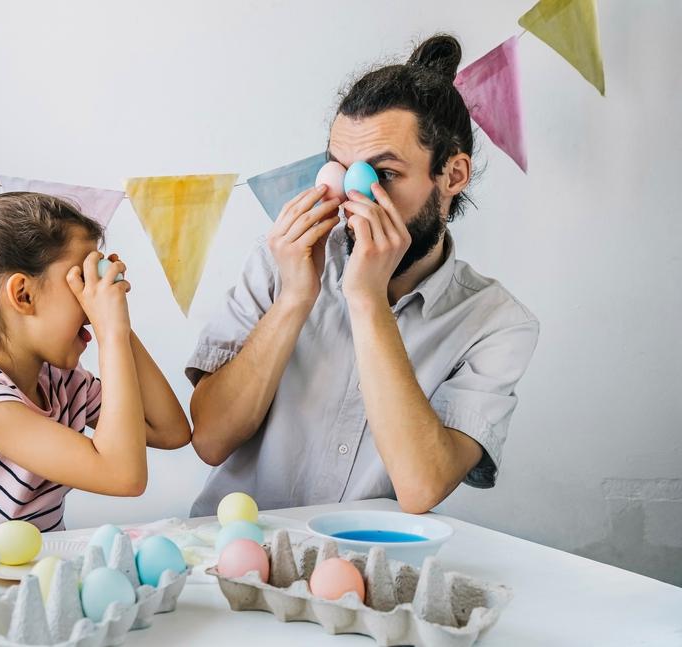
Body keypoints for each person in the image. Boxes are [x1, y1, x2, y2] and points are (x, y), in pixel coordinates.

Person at [187, 34, 540, 516]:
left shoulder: (496, 323)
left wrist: (368, 298)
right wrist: (294, 298)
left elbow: (421, 487)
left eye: (385, 175)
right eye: (341, 171)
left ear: (453, 176)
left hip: (366, 573)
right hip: (234, 553)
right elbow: (209, 439)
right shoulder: (284, 258)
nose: (355, 200)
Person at [0, 192, 190, 538]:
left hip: (24, 578)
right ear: (23, 295)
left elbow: (171, 431)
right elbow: (123, 475)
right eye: (80, 279)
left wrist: (116, 325)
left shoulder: (62, 384)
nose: (91, 297)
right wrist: (110, 331)